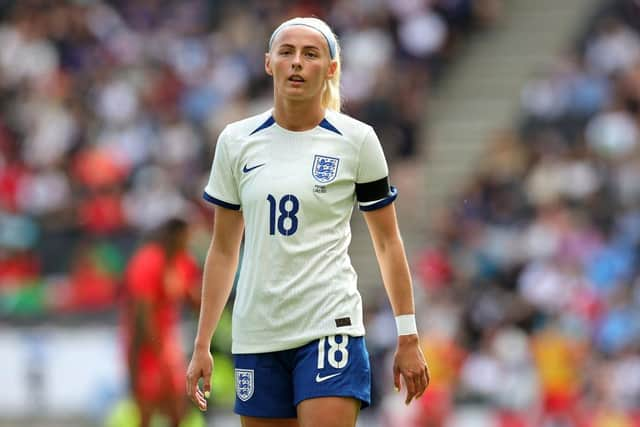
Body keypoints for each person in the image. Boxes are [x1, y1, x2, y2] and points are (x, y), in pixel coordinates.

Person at [186, 17, 430, 427]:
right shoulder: (235, 141)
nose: (297, 63)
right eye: (287, 52)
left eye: (310, 54)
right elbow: (225, 248)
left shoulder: (357, 141)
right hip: (257, 331)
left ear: (331, 68)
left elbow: (388, 243)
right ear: (269, 63)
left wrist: (408, 335)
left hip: (328, 325)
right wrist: (202, 343)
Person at [123, 218, 201, 427]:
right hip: (146, 347)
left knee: (177, 407)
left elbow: (194, 299)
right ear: (174, 236)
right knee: (146, 412)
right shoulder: (148, 261)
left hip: (167, 344)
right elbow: (142, 314)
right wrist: (151, 355)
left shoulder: (183, 262)